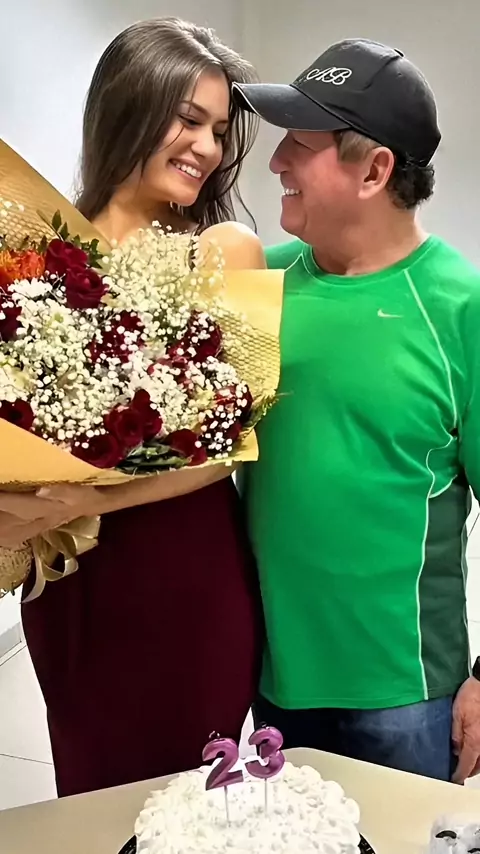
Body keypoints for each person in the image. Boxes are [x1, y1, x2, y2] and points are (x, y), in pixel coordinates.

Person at [0, 17, 265, 797]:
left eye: (219, 131)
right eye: (189, 120)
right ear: (128, 105)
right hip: (71, 586)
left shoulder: (224, 250)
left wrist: (89, 497)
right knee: (88, 794)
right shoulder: (33, 256)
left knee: (189, 808)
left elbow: (226, 444)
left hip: (184, 577)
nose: (208, 148)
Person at [233, 38, 480, 782]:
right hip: (276, 685)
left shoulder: (459, 307)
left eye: (300, 145)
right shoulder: (259, 283)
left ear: (373, 170)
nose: (276, 161)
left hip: (407, 695)